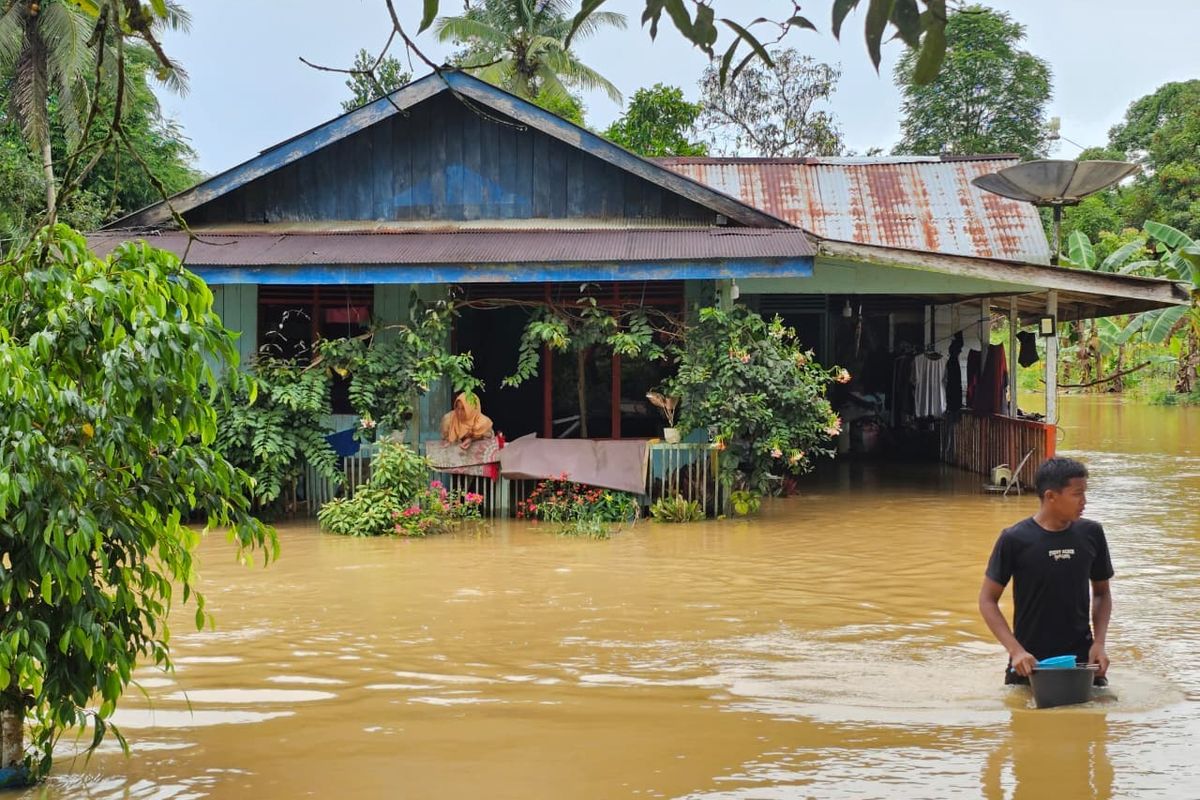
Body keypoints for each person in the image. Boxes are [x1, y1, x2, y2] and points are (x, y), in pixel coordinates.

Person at [978, 457, 1113, 687]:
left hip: (1082, 662)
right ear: (1051, 496)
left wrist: (1099, 644)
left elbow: (1102, 593)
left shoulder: (1092, 533)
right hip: (1030, 663)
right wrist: (1016, 651)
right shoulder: (1014, 539)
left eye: (1084, 493)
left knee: (1101, 708)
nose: (1084, 501)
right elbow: (987, 601)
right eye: (1077, 494)